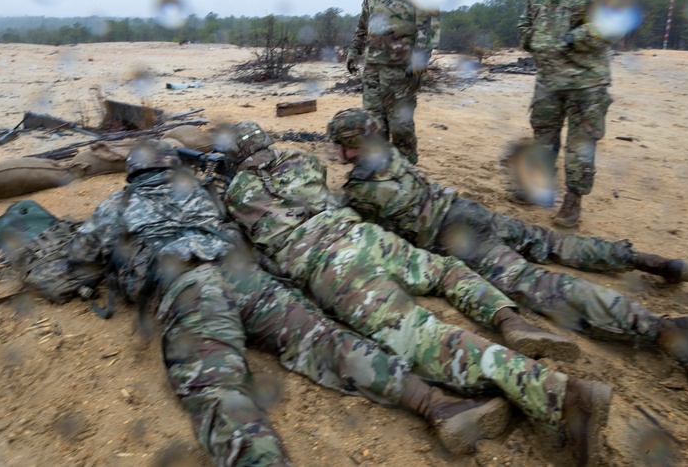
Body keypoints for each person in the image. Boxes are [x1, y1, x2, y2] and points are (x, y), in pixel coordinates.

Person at [53, 139, 519, 463]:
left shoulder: (116, 205)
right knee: (323, 338)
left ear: (133, 175)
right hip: (244, 275)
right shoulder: (196, 191)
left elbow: (79, 260)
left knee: (218, 389)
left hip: (189, 287)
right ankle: (437, 403)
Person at [219, 122, 612, 467]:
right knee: (443, 271)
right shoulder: (301, 160)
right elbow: (315, 182)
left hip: (329, 264)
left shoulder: (237, 190)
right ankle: (508, 320)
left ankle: (562, 395)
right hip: (363, 234)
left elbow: (243, 234)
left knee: (419, 336)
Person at [326, 107, 688, 410]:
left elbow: (356, 226)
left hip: (461, 238)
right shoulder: (390, 154)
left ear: (351, 145)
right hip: (468, 210)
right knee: (550, 242)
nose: (338, 152)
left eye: (340, 145)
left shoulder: (361, 188)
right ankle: (647, 261)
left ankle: (666, 330)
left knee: (541, 286)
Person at [516, 0, 626, 227]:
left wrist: (572, 38)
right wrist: (531, 39)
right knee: (543, 139)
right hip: (549, 81)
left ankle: (573, 202)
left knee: (580, 146)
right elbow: (524, 25)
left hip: (586, 83)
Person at [346, 0, 439, 164]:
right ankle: (379, 182)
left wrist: (419, 62)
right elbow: (365, 18)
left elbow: (428, 24)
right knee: (373, 128)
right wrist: (355, 50)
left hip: (401, 70)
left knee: (401, 130)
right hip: (373, 68)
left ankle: (409, 183)